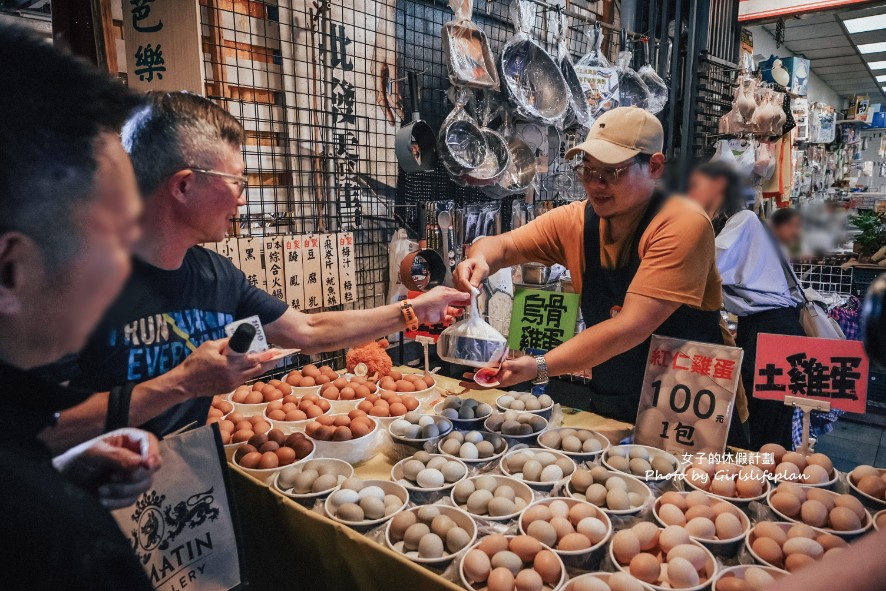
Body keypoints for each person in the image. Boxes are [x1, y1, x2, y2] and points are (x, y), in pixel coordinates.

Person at [40, 91, 469, 452]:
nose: (243, 201)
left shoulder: (215, 276)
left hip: (186, 483)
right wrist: (181, 385)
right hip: (87, 515)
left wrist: (414, 310)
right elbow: (39, 428)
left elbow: (310, 330)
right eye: (238, 182)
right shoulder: (70, 282)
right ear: (184, 185)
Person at [0, 25, 159, 589]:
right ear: (10, 271)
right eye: (110, 236)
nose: (123, 267)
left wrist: (59, 475)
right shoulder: (48, 539)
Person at [455, 107, 725, 422]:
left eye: (612, 172)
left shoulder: (682, 223)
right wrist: (478, 259)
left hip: (688, 408)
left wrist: (541, 366)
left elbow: (630, 327)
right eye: (588, 170)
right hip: (615, 393)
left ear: (654, 166)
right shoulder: (577, 221)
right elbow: (502, 246)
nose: (595, 184)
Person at [687, 162, 803, 449]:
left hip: (773, 330)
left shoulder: (745, 221)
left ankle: (765, 482)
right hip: (770, 326)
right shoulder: (750, 224)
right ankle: (767, 481)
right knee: (768, 414)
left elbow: (707, 262)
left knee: (766, 417)